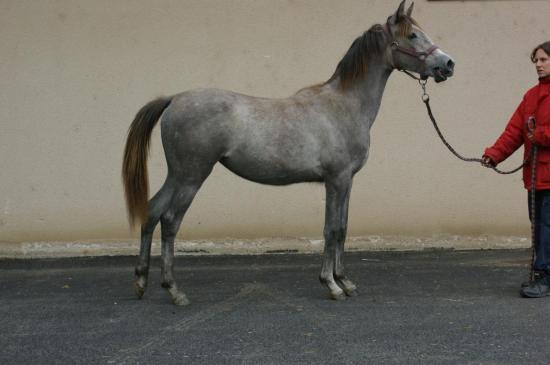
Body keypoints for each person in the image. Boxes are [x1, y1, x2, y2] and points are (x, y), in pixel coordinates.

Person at [482, 41, 550, 298]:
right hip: (536, 177)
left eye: (543, 60)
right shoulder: (531, 96)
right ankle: (541, 273)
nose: (538, 65)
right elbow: (514, 132)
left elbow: (534, 134)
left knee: (547, 227)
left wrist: (540, 135)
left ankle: (546, 276)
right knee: (539, 226)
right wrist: (493, 155)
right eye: (536, 60)